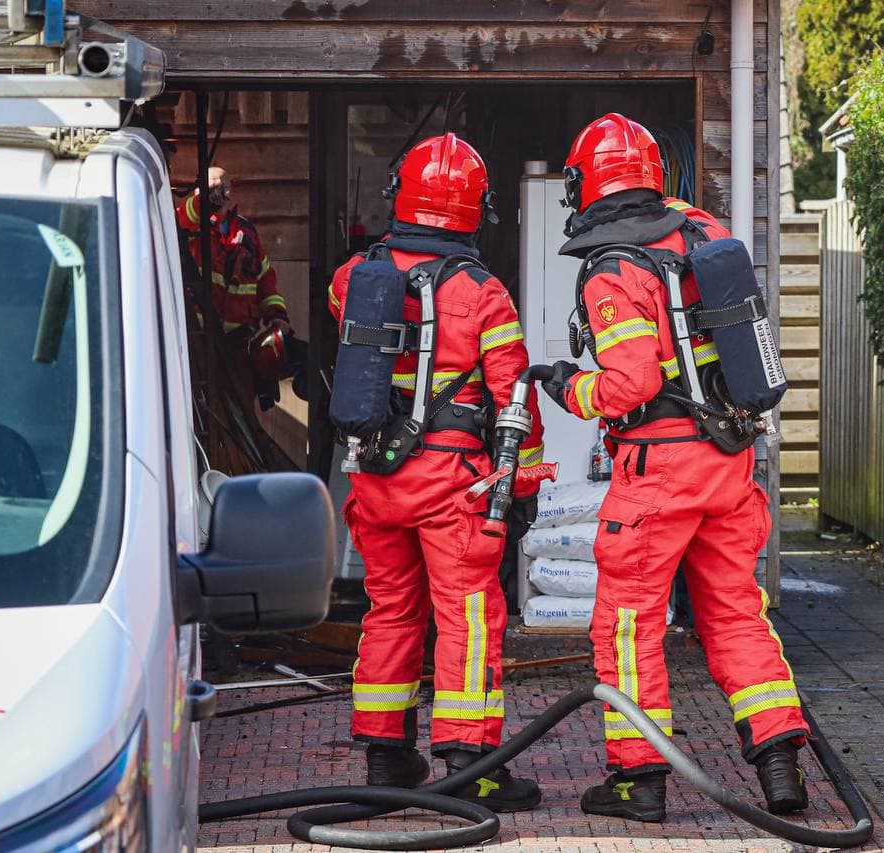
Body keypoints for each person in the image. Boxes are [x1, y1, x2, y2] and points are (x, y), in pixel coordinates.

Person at [540, 113, 809, 822]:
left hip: (658, 472)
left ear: (585, 184)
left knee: (628, 626)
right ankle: (780, 764)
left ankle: (639, 780)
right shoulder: (703, 233)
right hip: (728, 460)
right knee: (735, 612)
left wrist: (571, 388)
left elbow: (628, 383)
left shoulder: (613, 268)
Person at [327, 133, 547, 812]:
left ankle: (386, 757)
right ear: (476, 209)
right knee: (468, 617)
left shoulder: (352, 278)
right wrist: (522, 486)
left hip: (375, 480)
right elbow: (515, 399)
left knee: (391, 609)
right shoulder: (483, 294)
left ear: (400, 195)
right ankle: (470, 766)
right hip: (454, 484)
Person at [176, 166, 295, 409]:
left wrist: (277, 316)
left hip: (238, 347)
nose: (217, 192)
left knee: (241, 412)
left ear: (231, 191)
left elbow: (265, 279)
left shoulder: (247, 233)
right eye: (211, 187)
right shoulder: (186, 225)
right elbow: (184, 217)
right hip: (196, 342)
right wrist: (203, 202)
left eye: (222, 186)